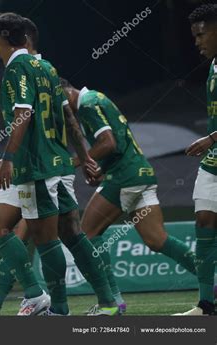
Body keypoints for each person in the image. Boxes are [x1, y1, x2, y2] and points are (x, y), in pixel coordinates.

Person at [0, 17, 119, 316]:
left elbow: (23, 115)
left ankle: (52, 303)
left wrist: (10, 157)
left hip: (38, 169)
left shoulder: (17, 68)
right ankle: (103, 301)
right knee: (66, 234)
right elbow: (68, 118)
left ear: (0, 41)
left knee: (41, 236)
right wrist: (85, 157)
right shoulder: (47, 68)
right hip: (50, 163)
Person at [60, 78, 199, 313]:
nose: (59, 112)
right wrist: (101, 169)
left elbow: (109, 143)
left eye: (57, 103)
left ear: (64, 93)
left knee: (88, 233)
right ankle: (211, 280)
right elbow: (119, 141)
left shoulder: (87, 105)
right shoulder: (97, 98)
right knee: (157, 240)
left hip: (126, 177)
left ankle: (112, 302)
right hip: (142, 173)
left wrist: (77, 161)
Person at [177, 3, 217, 316]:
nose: (197, 42)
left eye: (201, 35)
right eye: (194, 36)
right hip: (214, 161)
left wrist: (210, 138)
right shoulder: (214, 68)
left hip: (213, 146)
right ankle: (206, 305)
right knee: (204, 222)